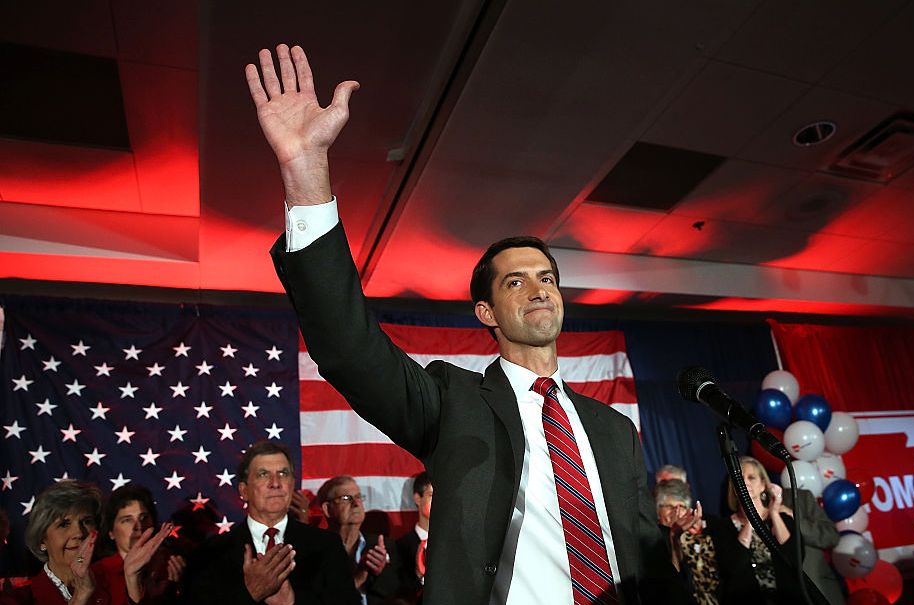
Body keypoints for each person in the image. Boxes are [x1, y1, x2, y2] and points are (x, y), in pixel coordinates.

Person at [249, 43, 683, 604]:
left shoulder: (614, 432)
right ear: (486, 313)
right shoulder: (454, 403)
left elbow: (644, 557)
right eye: (515, 281)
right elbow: (348, 350)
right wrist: (305, 170)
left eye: (546, 277)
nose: (538, 288)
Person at [185, 441, 360, 605]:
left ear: (291, 485)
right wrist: (250, 593)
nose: (275, 483)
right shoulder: (210, 554)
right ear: (244, 491)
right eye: (263, 474)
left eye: (283, 474)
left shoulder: (327, 546)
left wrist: (291, 602)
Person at [4, 481, 169, 605]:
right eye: (64, 524)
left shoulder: (114, 583)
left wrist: (133, 580)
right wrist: (81, 596)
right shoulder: (21, 599)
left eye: (86, 521)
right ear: (42, 540)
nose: (79, 533)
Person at [705, 457, 799, 605]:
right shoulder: (722, 527)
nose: (745, 482)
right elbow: (733, 567)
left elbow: (794, 557)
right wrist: (751, 519)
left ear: (763, 485)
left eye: (751, 477)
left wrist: (773, 512)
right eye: (740, 479)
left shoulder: (781, 518)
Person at [94, 484, 185, 605]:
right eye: (127, 520)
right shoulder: (97, 574)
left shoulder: (169, 566)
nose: (139, 527)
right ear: (111, 532)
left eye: (144, 517)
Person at [317, 476, 399, 604]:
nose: (356, 503)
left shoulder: (382, 546)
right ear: (327, 509)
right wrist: (358, 578)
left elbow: (396, 593)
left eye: (358, 497)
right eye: (346, 498)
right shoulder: (315, 551)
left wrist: (379, 572)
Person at [779, 488, 844, 605]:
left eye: (751, 477)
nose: (747, 484)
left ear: (762, 479)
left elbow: (831, 537)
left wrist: (795, 522)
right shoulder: (739, 513)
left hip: (819, 588)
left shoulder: (799, 497)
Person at [392, 473, 432, 603]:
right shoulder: (399, 547)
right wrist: (420, 576)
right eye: (432, 495)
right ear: (417, 499)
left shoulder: (454, 544)